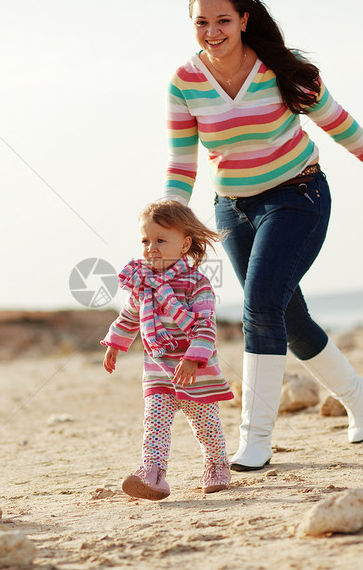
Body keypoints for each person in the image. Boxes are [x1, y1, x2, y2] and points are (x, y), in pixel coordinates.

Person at [163, 0, 363, 472]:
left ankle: (255, 440)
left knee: (259, 306)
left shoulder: (282, 68)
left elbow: (335, 119)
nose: (212, 31)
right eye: (202, 22)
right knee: (288, 317)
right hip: (233, 210)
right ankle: (355, 393)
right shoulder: (184, 82)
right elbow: (182, 161)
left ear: (243, 19)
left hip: (296, 196)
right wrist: (169, 218)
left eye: (223, 20)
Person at [102, 200, 234, 500]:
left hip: (193, 371)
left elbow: (205, 327)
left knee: (206, 425)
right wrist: (114, 344)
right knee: (155, 424)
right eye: (146, 241)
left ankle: (216, 465)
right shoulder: (143, 285)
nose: (152, 248)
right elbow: (128, 317)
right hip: (158, 370)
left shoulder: (196, 285)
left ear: (185, 243)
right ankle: (153, 474)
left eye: (161, 240)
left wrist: (192, 359)